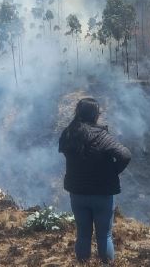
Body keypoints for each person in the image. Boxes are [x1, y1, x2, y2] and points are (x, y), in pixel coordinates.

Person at [59, 98, 131, 263]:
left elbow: (65, 152)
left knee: (83, 234)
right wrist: (113, 172)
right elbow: (125, 155)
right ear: (94, 115)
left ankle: (83, 264)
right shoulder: (101, 136)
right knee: (104, 236)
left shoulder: (69, 133)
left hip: (77, 193)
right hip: (102, 194)